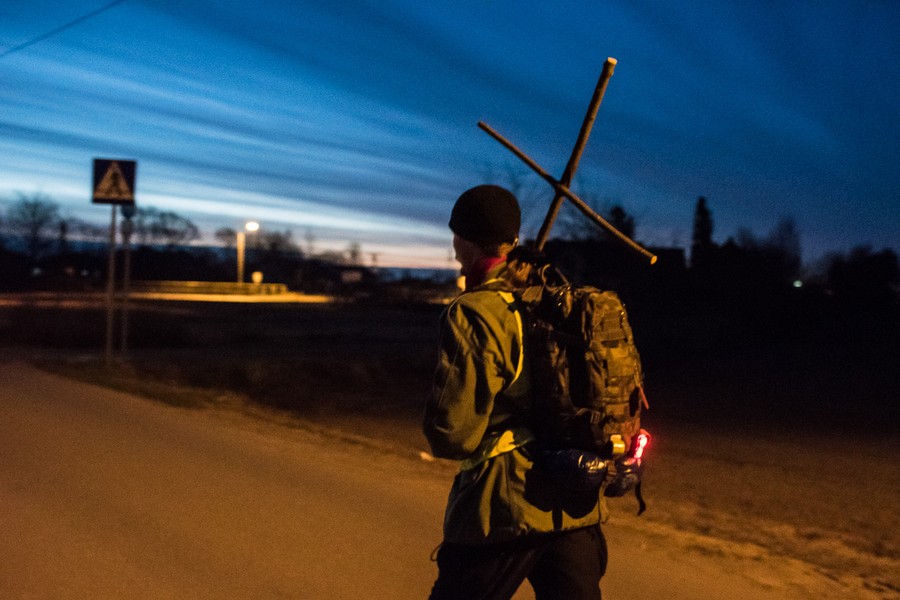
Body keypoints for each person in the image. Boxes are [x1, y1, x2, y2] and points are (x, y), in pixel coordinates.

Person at [424, 184, 607, 600]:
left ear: (464, 238)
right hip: (574, 501)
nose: (453, 249)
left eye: (456, 236)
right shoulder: (558, 299)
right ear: (512, 240)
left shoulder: (473, 312)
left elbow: (453, 434)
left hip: (505, 504)